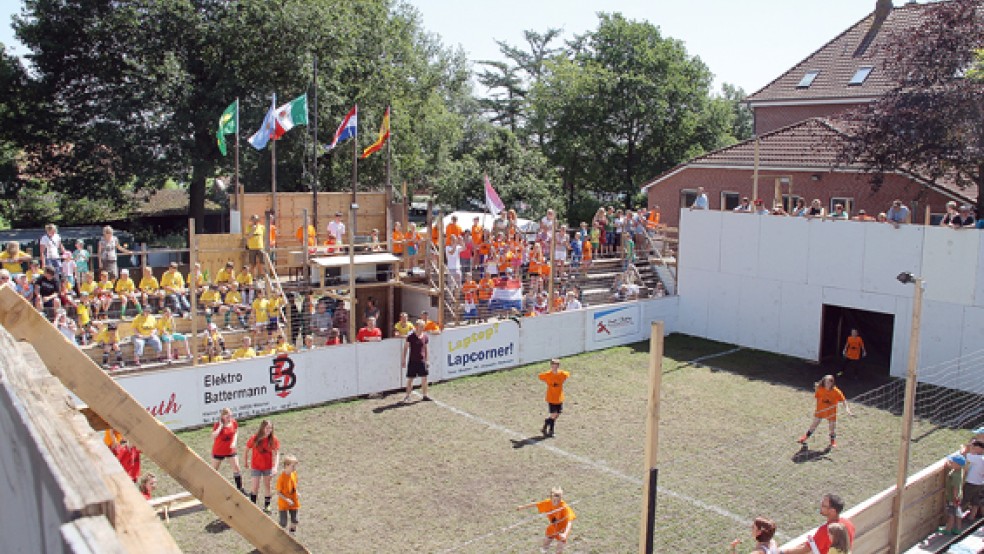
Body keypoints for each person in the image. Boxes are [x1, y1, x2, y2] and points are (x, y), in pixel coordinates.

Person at [779, 493, 854, 554]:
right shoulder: (848, 524)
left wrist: (783, 552)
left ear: (832, 511)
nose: (821, 507)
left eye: (824, 506)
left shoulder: (826, 530)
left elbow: (807, 548)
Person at [797, 375, 853, 448]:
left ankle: (832, 442)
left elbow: (843, 400)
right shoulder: (820, 389)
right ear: (823, 382)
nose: (827, 384)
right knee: (813, 425)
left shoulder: (836, 391)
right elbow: (817, 397)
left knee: (832, 428)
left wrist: (847, 409)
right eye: (826, 382)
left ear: (832, 383)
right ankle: (804, 438)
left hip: (831, 412)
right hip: (820, 411)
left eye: (829, 382)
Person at [516, 487, 576, 553]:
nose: (556, 502)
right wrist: (522, 507)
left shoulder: (564, 507)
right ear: (551, 498)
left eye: (558, 500)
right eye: (554, 500)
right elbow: (536, 504)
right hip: (553, 527)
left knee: (559, 549)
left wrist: (565, 534)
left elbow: (570, 522)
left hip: (563, 529)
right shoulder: (547, 502)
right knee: (546, 544)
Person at [245, 420, 280, 512]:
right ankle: (253, 505)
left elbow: (276, 453)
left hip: (267, 467)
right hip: (256, 466)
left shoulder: (273, 439)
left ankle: (267, 505)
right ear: (262, 428)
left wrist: (275, 467)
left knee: (267, 486)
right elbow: (247, 449)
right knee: (255, 487)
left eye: (271, 428)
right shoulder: (255, 438)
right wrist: (246, 461)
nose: (269, 430)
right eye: (267, 428)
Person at [211, 407, 244, 493]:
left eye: (230, 416)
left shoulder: (233, 422)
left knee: (236, 467)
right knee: (213, 470)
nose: (229, 418)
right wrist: (221, 427)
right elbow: (213, 436)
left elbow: (236, 432)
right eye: (227, 416)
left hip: (230, 450)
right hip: (219, 450)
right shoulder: (217, 424)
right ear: (222, 416)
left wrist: (234, 442)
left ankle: (240, 489)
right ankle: (210, 489)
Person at [400, 319, 430, 403]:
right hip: (413, 361)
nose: (422, 328)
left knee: (424, 378)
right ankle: (407, 396)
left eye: (423, 326)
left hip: (422, 360)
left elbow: (426, 349)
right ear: (416, 327)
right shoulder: (411, 337)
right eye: (420, 326)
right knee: (410, 379)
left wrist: (427, 360)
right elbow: (405, 348)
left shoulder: (425, 337)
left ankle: (425, 395)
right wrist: (403, 359)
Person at [539, 359, 569, 437]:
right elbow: (540, 376)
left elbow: (567, 375)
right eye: (553, 365)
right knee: (553, 414)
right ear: (551, 366)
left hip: (559, 397)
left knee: (557, 415)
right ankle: (551, 431)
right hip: (551, 397)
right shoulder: (547, 374)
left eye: (556, 365)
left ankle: (546, 423)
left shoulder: (562, 374)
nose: (554, 367)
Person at [275, 454, 300, 536]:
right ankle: (279, 536)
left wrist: (297, 493)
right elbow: (278, 492)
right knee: (283, 523)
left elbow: (294, 485)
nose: (294, 468)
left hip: (293, 501)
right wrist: (286, 499)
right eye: (293, 466)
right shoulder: (281, 478)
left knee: (295, 520)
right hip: (284, 503)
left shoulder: (294, 474)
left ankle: (292, 534)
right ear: (286, 465)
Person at [942, 453, 966, 535]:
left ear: (957, 465)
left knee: (951, 514)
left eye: (952, 462)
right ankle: (958, 529)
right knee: (958, 513)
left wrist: (955, 499)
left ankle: (948, 530)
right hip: (958, 497)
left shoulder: (955, 475)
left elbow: (955, 488)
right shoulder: (960, 471)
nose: (950, 463)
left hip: (953, 498)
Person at [961, 439, 984, 521]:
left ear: (981, 449)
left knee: (964, 499)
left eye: (975, 447)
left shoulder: (977, 458)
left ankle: (956, 519)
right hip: (980, 483)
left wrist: (965, 448)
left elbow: (964, 455)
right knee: (976, 501)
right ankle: (971, 517)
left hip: (972, 483)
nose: (973, 449)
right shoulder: (981, 458)